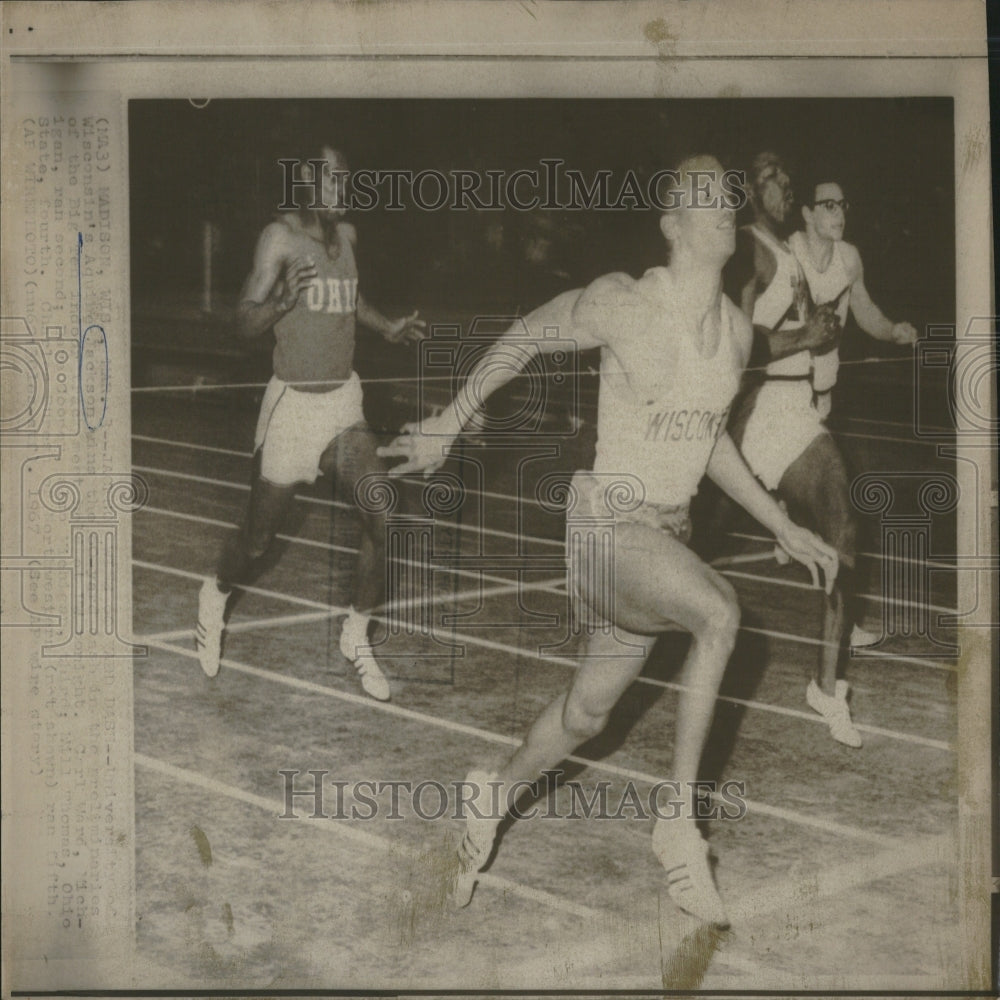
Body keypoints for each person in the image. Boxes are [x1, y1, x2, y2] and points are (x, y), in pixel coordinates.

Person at [378, 156, 838, 926]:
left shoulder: (734, 334)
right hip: (603, 524)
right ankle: (677, 826)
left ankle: (489, 793)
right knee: (721, 615)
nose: (723, 204)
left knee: (586, 716)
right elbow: (523, 338)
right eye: (703, 194)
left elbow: (709, 439)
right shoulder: (622, 302)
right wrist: (450, 423)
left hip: (658, 537)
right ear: (672, 225)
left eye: (726, 194)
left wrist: (780, 521)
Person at [195, 143, 425, 701]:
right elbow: (242, 322)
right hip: (293, 407)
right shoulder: (279, 239)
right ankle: (215, 592)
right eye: (333, 177)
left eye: (346, 177)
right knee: (256, 541)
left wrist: (386, 327)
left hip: (342, 403)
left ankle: (355, 634)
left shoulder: (345, 237)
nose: (343, 186)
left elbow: (350, 298)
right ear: (304, 180)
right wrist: (281, 302)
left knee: (382, 515)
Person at [724, 153, 917, 747]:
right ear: (751, 191)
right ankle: (827, 686)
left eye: (786, 176)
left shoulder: (786, 249)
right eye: (773, 178)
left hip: (797, 403)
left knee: (840, 523)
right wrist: (805, 338)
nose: (785, 183)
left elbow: (850, 306)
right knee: (840, 514)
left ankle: (828, 668)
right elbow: (735, 348)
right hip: (764, 410)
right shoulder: (748, 250)